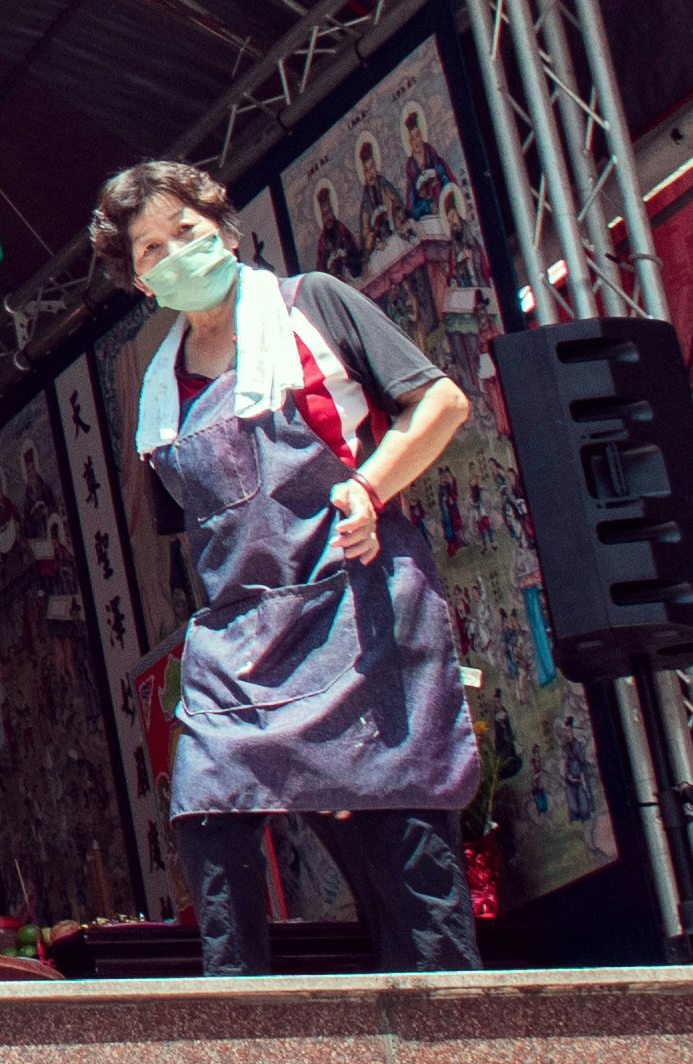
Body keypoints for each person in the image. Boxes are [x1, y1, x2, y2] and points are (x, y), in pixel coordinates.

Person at [90, 154, 485, 978]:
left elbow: (441, 402)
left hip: (357, 613)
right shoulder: (160, 392)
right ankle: (245, 1041)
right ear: (138, 283)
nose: (174, 257)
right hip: (240, 639)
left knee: (403, 862)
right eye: (150, 252)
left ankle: (459, 1056)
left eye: (186, 234)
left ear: (225, 231)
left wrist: (368, 488)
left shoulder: (312, 308)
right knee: (208, 812)